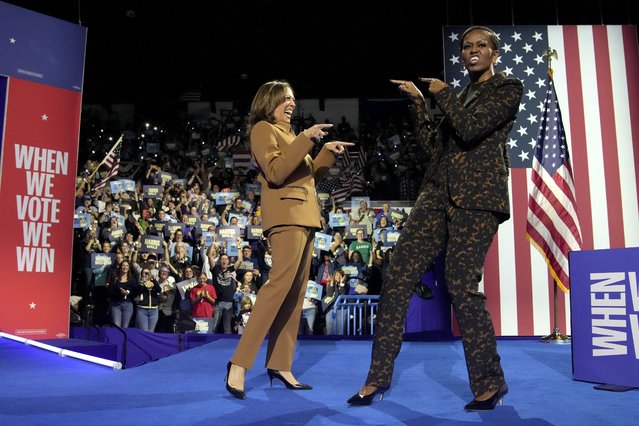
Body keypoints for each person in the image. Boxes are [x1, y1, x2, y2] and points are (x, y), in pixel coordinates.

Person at [347, 26, 523, 411]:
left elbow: (472, 129)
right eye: (466, 46)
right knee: (397, 277)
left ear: (494, 53)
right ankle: (377, 378)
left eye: (481, 46)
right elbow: (432, 148)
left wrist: (441, 95)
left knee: (461, 284)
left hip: (477, 200)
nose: (472, 50)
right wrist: (417, 104)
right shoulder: (457, 96)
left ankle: (490, 383)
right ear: (461, 54)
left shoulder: (508, 88)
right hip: (434, 197)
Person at [225, 80, 354, 400]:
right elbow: (277, 173)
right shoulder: (263, 130)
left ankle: (280, 364)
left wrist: (325, 151)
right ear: (269, 101)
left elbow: (308, 179)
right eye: (285, 98)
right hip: (285, 218)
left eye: (294, 98)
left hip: (307, 218)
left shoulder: (291, 136)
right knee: (277, 288)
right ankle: (239, 363)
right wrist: (305, 139)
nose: (291, 103)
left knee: (295, 295)